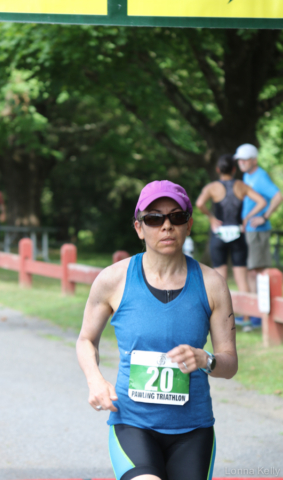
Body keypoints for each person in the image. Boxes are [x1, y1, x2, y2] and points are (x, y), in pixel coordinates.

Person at [77, 180, 238, 480]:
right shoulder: (113, 280)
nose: (166, 226)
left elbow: (229, 364)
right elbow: (86, 340)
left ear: (188, 225)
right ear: (139, 227)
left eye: (176, 217)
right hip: (132, 423)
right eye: (154, 218)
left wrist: (206, 360)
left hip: (193, 429)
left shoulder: (212, 283)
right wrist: (95, 381)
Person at [195, 154, 266, 316]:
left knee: (220, 279)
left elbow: (199, 203)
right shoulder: (241, 185)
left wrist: (211, 217)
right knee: (241, 278)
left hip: (219, 234)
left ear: (218, 169)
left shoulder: (212, 187)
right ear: (234, 170)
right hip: (238, 233)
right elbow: (261, 201)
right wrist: (247, 218)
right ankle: (247, 318)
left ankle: (221, 316)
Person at [234, 144, 283, 294]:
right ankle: (258, 312)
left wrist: (264, 216)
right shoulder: (247, 176)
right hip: (249, 230)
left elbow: (278, 196)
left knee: (257, 272)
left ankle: (261, 314)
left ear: (254, 160)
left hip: (258, 230)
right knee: (252, 272)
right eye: (239, 160)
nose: (241, 162)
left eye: (245, 160)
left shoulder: (260, 176)